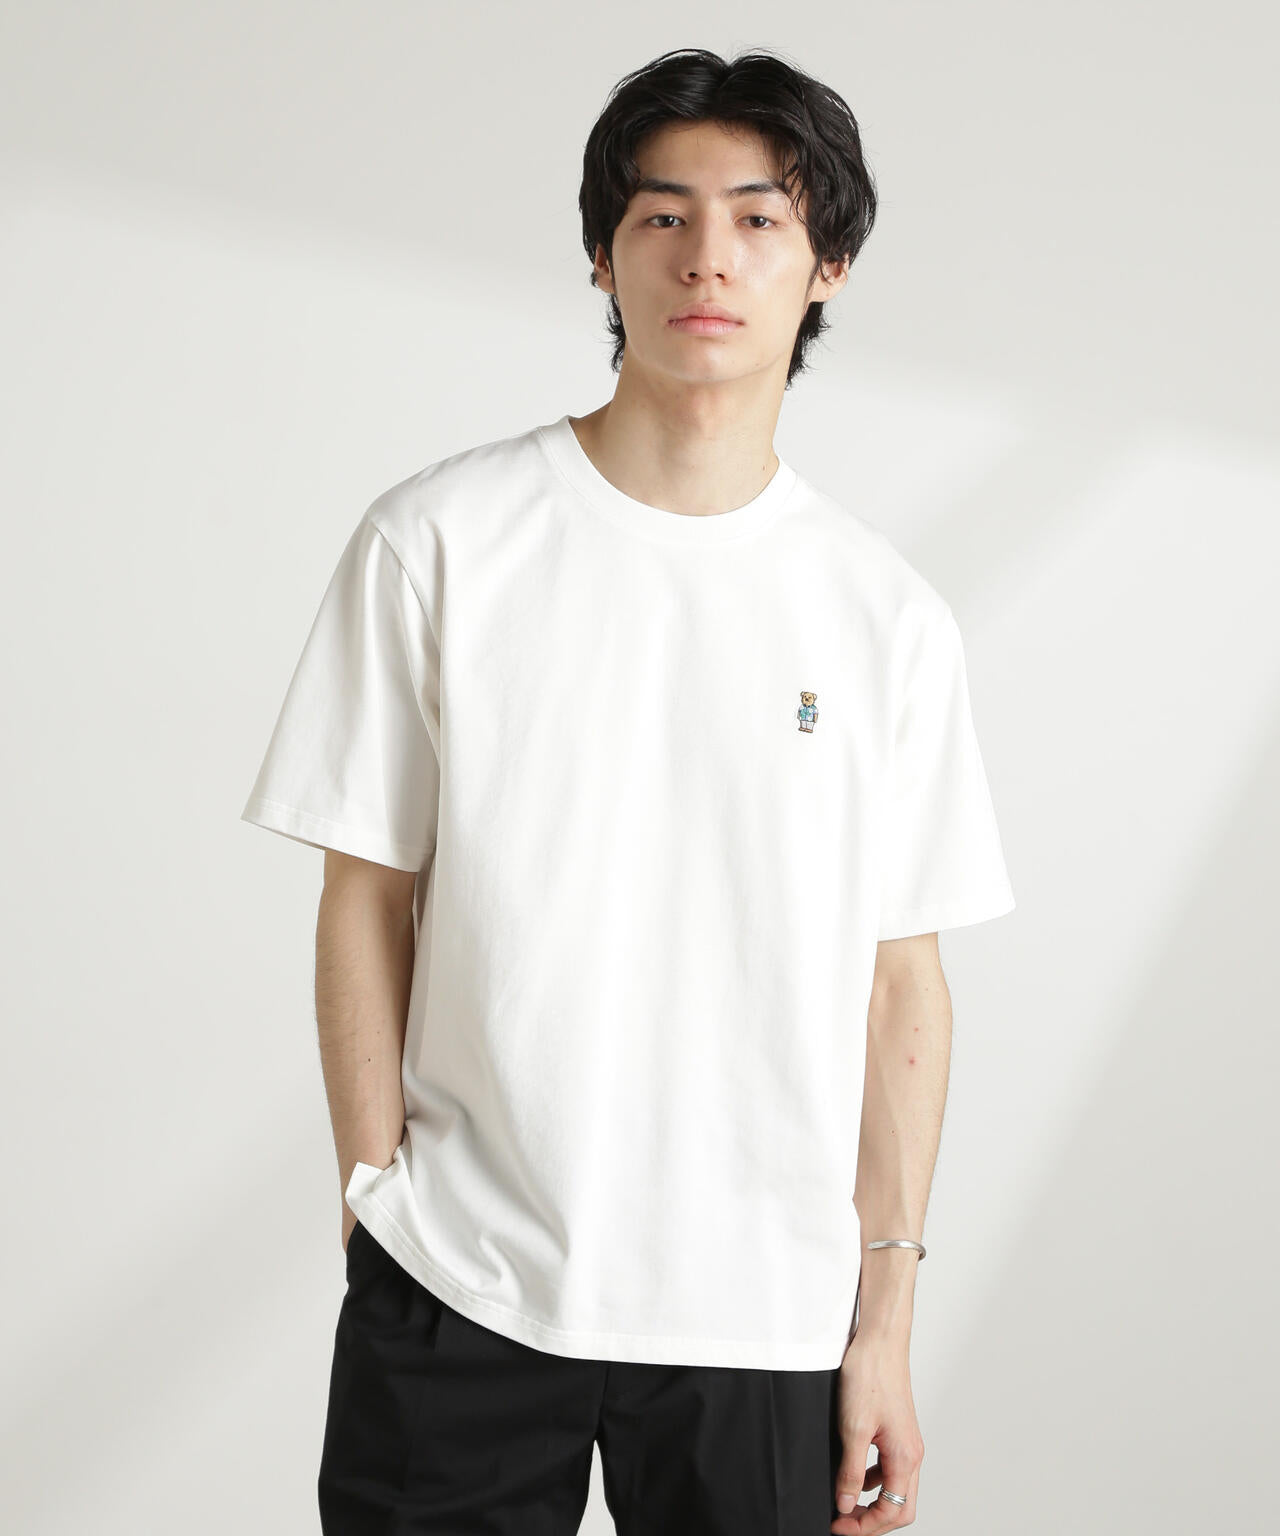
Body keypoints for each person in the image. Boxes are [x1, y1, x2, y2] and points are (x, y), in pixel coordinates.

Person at [241, 45, 1015, 1536]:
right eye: (662, 216)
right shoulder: (442, 541)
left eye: (759, 218)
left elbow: (901, 984)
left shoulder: (885, 618)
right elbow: (365, 894)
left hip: (764, 1314)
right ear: (601, 254)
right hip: (460, 1282)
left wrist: (884, 1324)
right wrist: (373, 1207)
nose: (706, 257)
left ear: (829, 265)